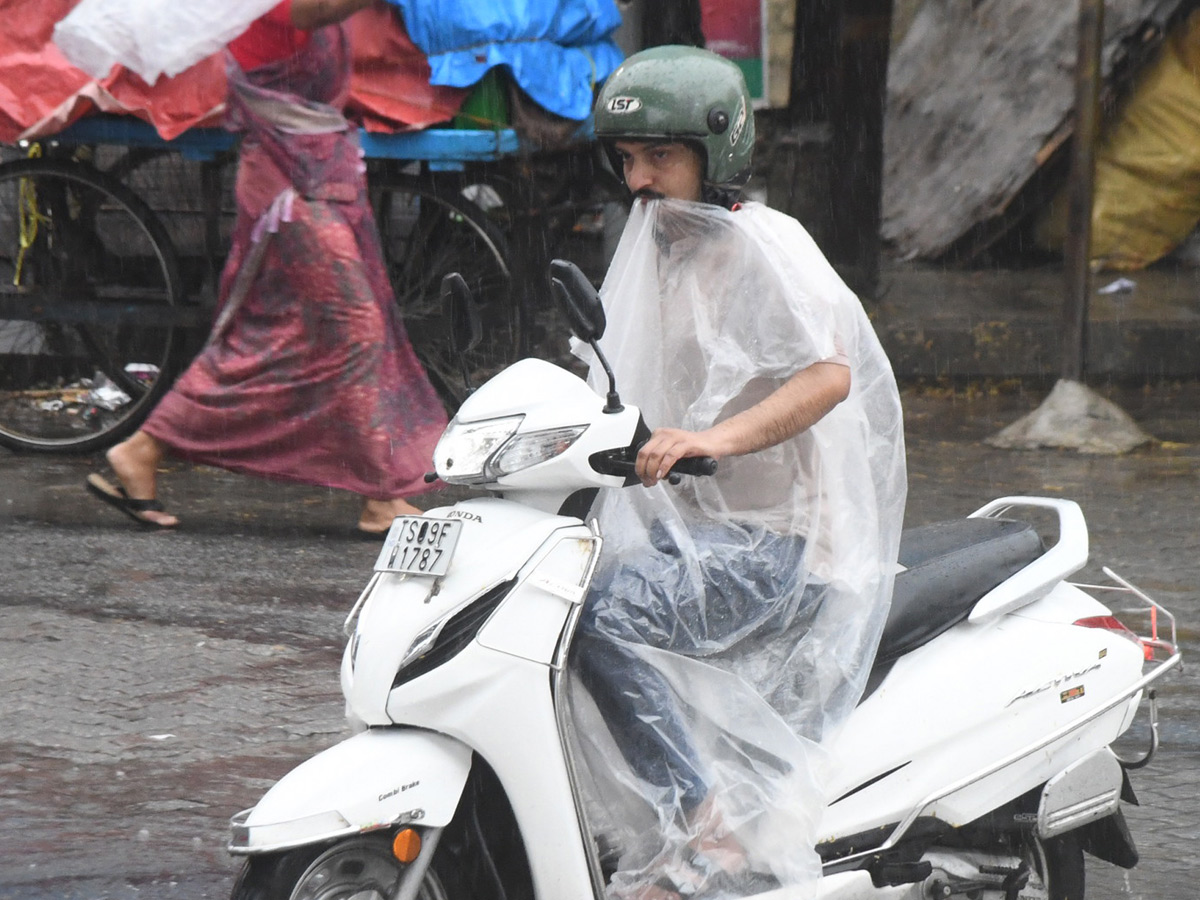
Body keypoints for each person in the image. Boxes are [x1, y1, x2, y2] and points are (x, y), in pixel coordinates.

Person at [567, 46, 908, 900]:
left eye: (659, 157)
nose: (638, 179)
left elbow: (830, 374)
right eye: (627, 159)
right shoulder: (656, 245)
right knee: (557, 593)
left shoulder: (765, 246)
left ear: (715, 150)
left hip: (784, 543)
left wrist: (716, 442)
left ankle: (705, 824)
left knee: (604, 615)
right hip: (704, 534)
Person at [86, 0, 447, 535]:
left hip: (321, 173)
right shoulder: (267, 6)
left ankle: (142, 450)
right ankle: (379, 495)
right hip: (290, 192)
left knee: (276, 342)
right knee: (355, 327)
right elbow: (314, 11)